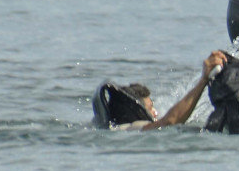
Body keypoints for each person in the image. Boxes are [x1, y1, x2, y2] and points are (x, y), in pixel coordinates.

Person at [96, 51, 230, 130]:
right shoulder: (134, 127)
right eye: (150, 108)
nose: (155, 112)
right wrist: (203, 80)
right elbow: (169, 122)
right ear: (135, 111)